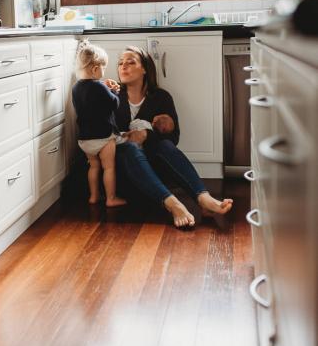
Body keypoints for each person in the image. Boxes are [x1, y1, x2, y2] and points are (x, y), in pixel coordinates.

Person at [105, 46, 233, 228]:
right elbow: (100, 133)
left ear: (145, 69)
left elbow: (173, 139)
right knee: (129, 149)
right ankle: (174, 204)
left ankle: (203, 199)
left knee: (165, 146)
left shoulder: (161, 97)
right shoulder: (111, 97)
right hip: (124, 175)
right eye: (120, 63)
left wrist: (146, 135)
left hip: (157, 173)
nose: (123, 66)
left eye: (130, 62)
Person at [72, 41, 127, 207]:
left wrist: (105, 89)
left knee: (94, 167)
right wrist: (114, 91)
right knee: (108, 167)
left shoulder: (76, 87)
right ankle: (111, 198)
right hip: (103, 137)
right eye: (103, 68)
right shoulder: (99, 87)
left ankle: (93, 196)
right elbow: (114, 104)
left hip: (85, 139)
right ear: (95, 68)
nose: (104, 72)